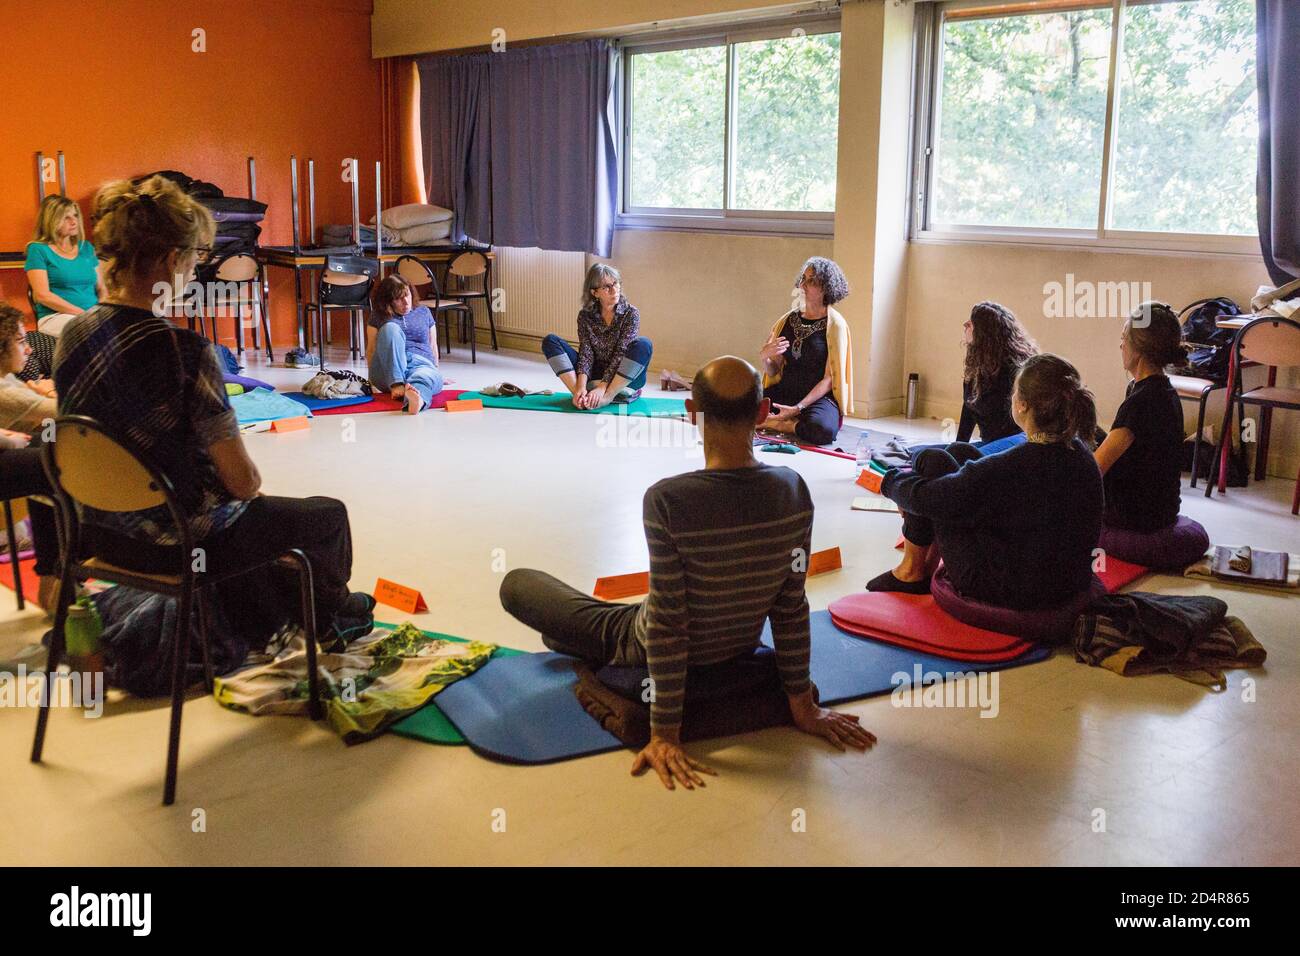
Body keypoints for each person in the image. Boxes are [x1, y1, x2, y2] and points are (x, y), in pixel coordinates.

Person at [500, 356, 875, 790]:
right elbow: (791, 608)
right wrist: (803, 706)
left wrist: (664, 734)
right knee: (565, 634)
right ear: (762, 411)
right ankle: (571, 638)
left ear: (692, 411)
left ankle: (583, 640)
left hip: (637, 641)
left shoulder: (667, 501)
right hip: (736, 650)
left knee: (518, 584)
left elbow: (666, 625)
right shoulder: (793, 490)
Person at [53, 175, 372, 651]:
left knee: (263, 529)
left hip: (100, 535)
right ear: (170, 260)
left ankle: (312, 611)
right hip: (178, 542)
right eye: (196, 255)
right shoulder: (187, 352)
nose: (195, 267)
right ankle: (327, 619)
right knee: (325, 517)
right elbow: (244, 483)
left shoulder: (72, 336)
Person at [868, 354, 1103, 610]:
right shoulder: (1080, 453)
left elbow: (932, 499)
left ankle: (911, 572)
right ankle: (915, 569)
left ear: (1023, 405)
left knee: (931, 464)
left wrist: (890, 481)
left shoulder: (1016, 464)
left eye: (1014, 393)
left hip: (1010, 590)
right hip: (1068, 581)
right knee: (954, 454)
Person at [1094, 302, 1187, 533]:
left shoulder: (1142, 401)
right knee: (1090, 431)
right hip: (1163, 510)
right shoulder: (1165, 390)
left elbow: (1094, 469)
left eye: (1124, 337)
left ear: (1139, 349)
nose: (1120, 344)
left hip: (1137, 518)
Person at [0, 303, 60, 611]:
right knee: (55, 464)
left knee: (48, 446)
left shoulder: (8, 379)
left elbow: (38, 400)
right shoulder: (4, 389)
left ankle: (54, 577)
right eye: (21, 341)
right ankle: (57, 575)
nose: (28, 349)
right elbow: (56, 410)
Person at [758, 256, 854, 445]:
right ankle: (782, 421)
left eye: (810, 281)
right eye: (803, 279)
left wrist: (797, 408)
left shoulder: (836, 326)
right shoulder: (786, 321)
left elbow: (829, 380)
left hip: (817, 399)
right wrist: (765, 358)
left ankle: (781, 425)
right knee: (737, 409)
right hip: (786, 390)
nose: (802, 285)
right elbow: (774, 370)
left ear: (826, 287)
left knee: (822, 430)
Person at [541, 263, 652, 409]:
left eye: (615, 283)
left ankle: (608, 396)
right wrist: (580, 387)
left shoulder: (631, 313)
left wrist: (603, 388)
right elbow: (586, 352)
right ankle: (581, 396)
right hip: (594, 373)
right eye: (606, 287)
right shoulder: (585, 316)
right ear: (595, 293)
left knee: (644, 344)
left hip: (624, 376)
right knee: (550, 341)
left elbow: (620, 353)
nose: (614, 290)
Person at [953, 301, 1038, 449]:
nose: (965, 324)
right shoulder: (976, 366)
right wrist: (958, 446)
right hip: (988, 444)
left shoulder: (1014, 371)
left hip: (1015, 444)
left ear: (985, 334)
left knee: (947, 457)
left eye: (971, 323)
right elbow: (969, 408)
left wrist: (957, 452)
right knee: (921, 452)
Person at [25, 194, 105, 338]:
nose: (74, 221)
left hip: (92, 315)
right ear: (51, 220)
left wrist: (105, 312)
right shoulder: (38, 249)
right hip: (56, 316)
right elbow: (42, 295)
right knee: (89, 331)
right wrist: (83, 314)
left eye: (75, 215)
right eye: (66, 217)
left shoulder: (86, 248)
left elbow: (101, 289)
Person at [367, 275, 444, 415]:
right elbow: (371, 349)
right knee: (390, 328)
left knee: (423, 377)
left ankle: (417, 401)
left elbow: (433, 344)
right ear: (388, 302)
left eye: (407, 295)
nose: (406, 302)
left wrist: (435, 371)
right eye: (398, 299)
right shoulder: (378, 315)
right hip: (387, 370)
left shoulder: (423, 311)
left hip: (420, 364)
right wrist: (370, 382)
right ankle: (397, 384)